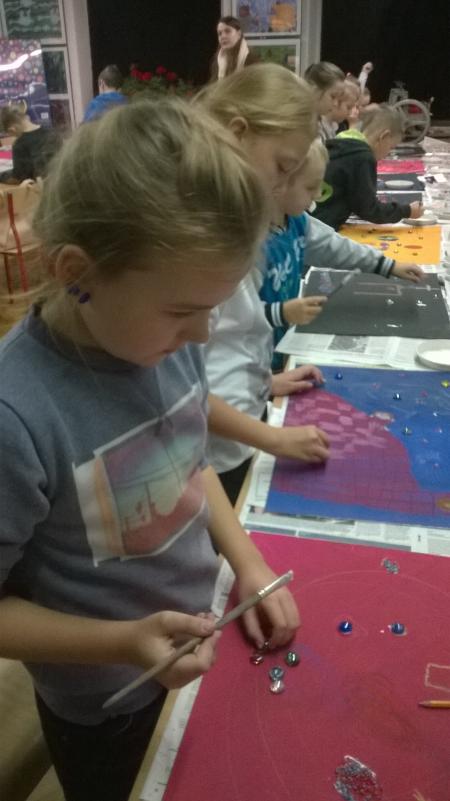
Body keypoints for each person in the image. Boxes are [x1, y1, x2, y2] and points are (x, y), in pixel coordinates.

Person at [0, 97, 299, 801]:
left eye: (211, 311)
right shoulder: (17, 414)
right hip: (108, 704)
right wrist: (125, 641)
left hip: (201, 641)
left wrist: (248, 563)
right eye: (183, 311)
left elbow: (189, 464)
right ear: (77, 271)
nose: (202, 337)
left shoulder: (164, 341)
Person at [197, 64, 331, 504]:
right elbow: (179, 388)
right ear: (238, 133)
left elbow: (227, 341)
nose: (282, 186)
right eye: (282, 167)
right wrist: (272, 438)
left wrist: (265, 384)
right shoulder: (199, 243)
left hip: (236, 428)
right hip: (216, 449)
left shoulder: (233, 225)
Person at [261, 138, 424, 368]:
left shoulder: (297, 221)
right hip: (253, 359)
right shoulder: (249, 243)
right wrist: (281, 313)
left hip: (276, 351)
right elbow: (229, 318)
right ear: (278, 184)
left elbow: (333, 246)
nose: (317, 195)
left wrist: (387, 265)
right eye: (310, 187)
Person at [312, 106, 424, 230]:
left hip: (312, 220)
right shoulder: (362, 157)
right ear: (384, 136)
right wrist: (406, 211)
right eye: (391, 148)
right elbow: (369, 209)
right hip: (322, 227)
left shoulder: (344, 143)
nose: (387, 154)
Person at [0, 101, 61, 183]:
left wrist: (2, 177)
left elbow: (19, 177)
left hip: (38, 186)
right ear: (26, 117)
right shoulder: (52, 132)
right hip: (59, 181)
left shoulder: (20, 144)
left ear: (12, 129)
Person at [304, 61, 345, 142]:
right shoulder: (301, 124)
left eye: (338, 99)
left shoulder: (323, 123)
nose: (335, 104)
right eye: (333, 96)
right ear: (316, 90)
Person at [210, 16, 258, 80]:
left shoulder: (251, 59)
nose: (223, 36)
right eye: (220, 33)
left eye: (228, 31)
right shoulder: (217, 60)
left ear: (239, 34)